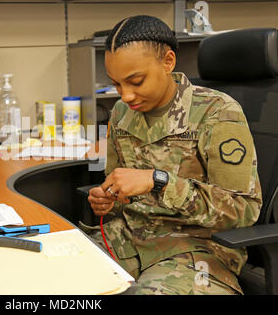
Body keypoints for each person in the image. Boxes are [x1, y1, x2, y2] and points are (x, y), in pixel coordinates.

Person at [85, 15, 262, 295]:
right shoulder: (120, 112)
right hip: (129, 238)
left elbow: (243, 210)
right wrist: (108, 200)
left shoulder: (217, 112)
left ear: (167, 62)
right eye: (117, 84)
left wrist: (160, 182)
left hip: (195, 249)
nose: (126, 95)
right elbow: (120, 190)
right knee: (54, 277)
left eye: (136, 81)